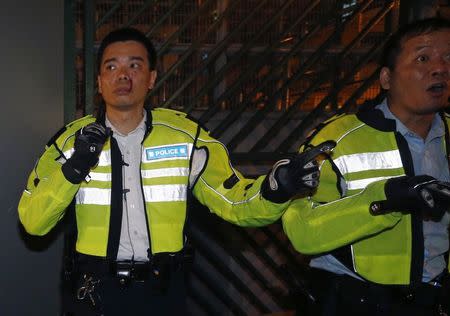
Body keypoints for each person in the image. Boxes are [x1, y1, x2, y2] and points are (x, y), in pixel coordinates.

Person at [18, 28, 333, 316]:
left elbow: (235, 203)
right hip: (94, 293)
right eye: (111, 67)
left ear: (152, 78)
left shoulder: (184, 137)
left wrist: (276, 189)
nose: (123, 76)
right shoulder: (70, 141)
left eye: (135, 66)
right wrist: (74, 167)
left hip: (162, 294)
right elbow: (33, 222)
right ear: (99, 82)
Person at [282, 17, 450, 316]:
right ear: (386, 79)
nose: (440, 68)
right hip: (354, 299)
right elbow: (300, 230)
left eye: (448, 58)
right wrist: (383, 201)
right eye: (423, 58)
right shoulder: (337, 139)